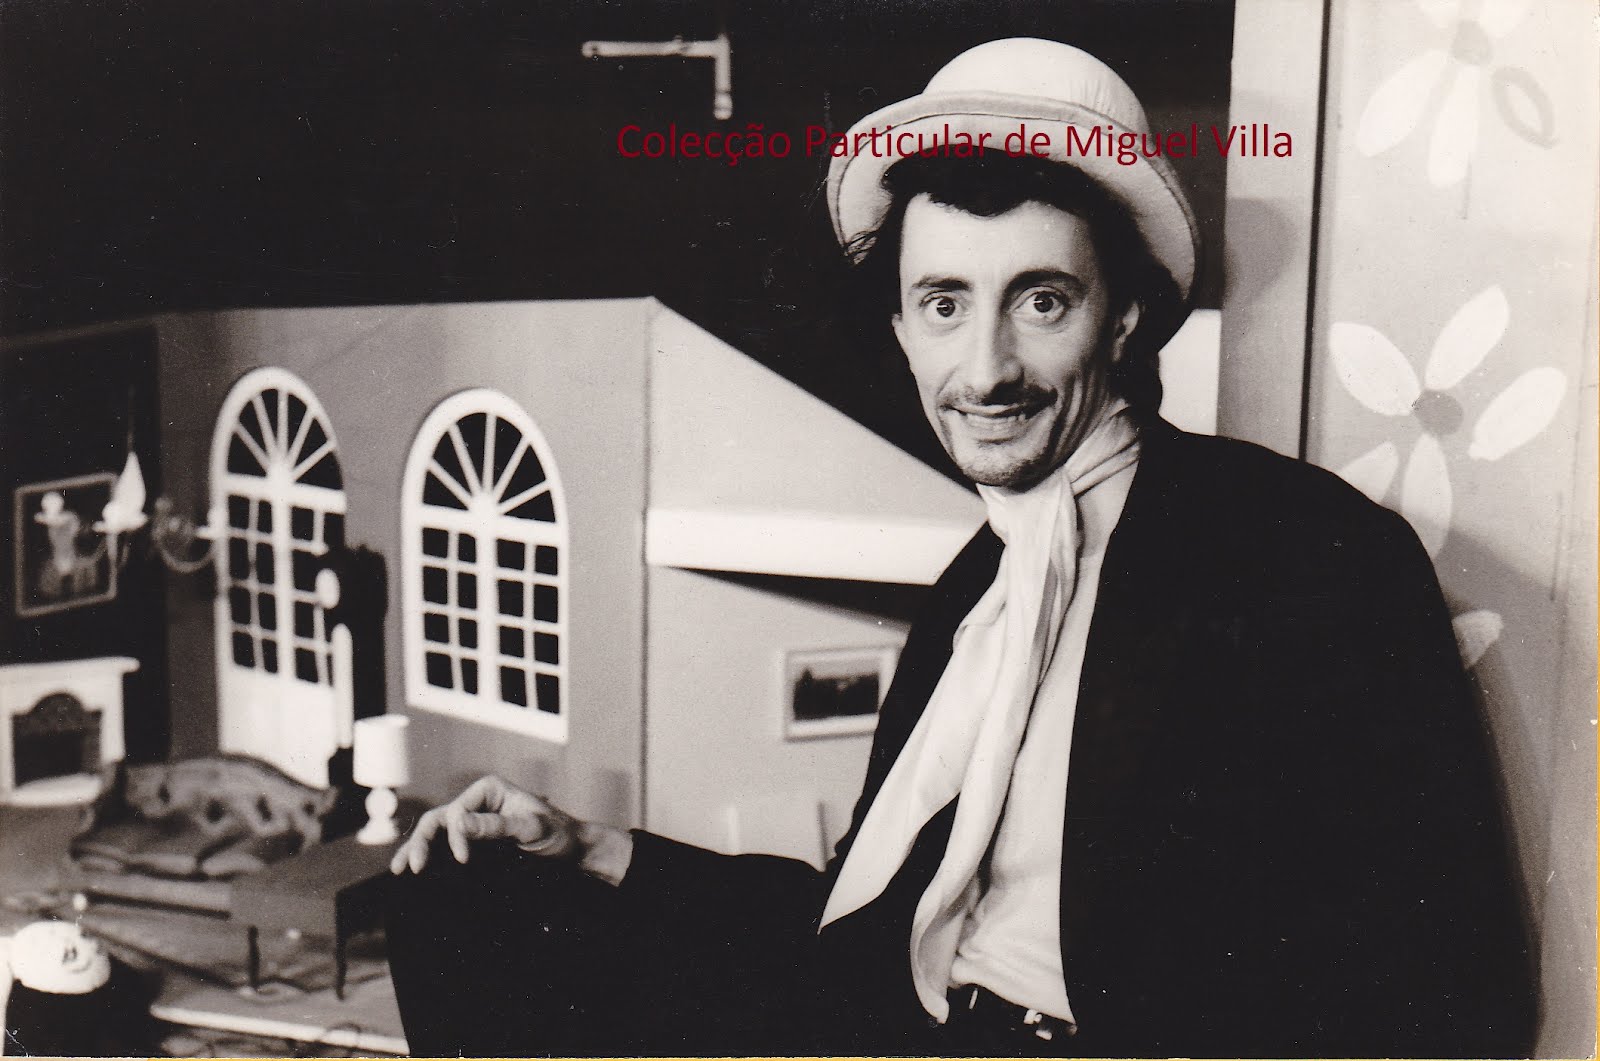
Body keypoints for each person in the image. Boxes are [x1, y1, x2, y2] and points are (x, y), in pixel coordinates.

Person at [386, 38, 1534, 1058]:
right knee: (462, 902)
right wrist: (591, 846)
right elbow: (867, 912)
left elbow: (1452, 992)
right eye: (943, 304)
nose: (984, 372)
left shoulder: (1302, 551)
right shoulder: (973, 592)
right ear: (899, 324)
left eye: (1040, 301)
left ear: (1125, 316)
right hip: (921, 1031)